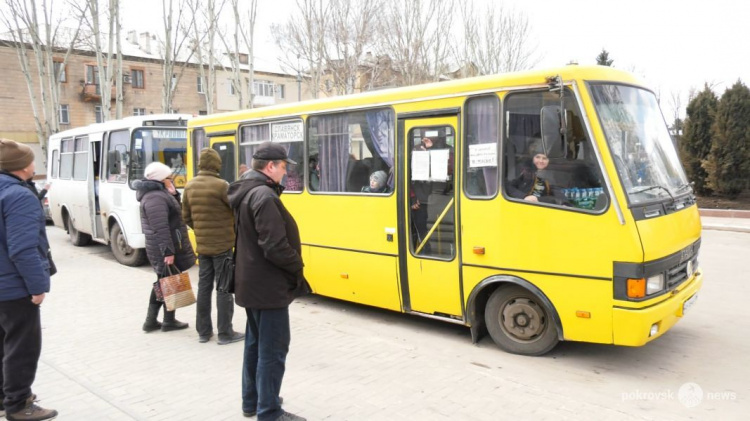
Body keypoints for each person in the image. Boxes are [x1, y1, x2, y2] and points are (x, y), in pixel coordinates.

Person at [227, 141, 309, 421]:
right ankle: (269, 411)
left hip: (251, 283)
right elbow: (274, 246)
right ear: (270, 166)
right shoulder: (264, 196)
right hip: (268, 286)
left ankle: (254, 401)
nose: (285, 173)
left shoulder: (247, 191)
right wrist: (298, 265)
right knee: (272, 351)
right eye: (284, 167)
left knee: (254, 344)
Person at [0, 139, 58, 421]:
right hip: (13, 287)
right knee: (22, 347)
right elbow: (23, 249)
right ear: (23, 166)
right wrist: (37, 287)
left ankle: (3, 398)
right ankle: (18, 404)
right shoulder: (19, 196)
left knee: (3, 344)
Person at [182, 148, 244, 345]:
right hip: (223, 246)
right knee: (224, 289)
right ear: (217, 165)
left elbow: (186, 217)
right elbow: (235, 211)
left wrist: (201, 231)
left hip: (203, 246)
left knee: (204, 288)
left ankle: (203, 332)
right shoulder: (221, 186)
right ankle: (225, 333)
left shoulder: (190, 186)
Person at [136, 162, 196, 333]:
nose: (173, 180)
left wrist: (174, 194)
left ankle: (161, 320)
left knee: (165, 282)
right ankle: (157, 321)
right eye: (170, 178)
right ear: (162, 179)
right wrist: (168, 251)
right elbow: (160, 227)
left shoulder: (160, 194)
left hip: (165, 246)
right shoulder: (155, 198)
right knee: (164, 282)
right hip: (163, 248)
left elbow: (174, 215)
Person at [410, 137, 433, 250]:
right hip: (416, 203)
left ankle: (424, 250)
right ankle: (425, 251)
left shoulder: (425, 167)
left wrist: (428, 149)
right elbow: (408, 184)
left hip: (423, 201)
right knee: (420, 231)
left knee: (421, 230)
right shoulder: (411, 168)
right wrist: (413, 199)